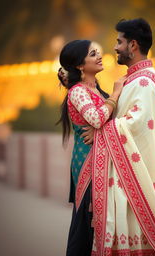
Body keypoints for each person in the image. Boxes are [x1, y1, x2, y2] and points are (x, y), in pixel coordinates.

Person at [79, 18, 155, 255]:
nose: (115, 47)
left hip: (138, 182)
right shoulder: (133, 79)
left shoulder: (145, 81)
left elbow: (134, 125)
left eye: (119, 42)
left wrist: (100, 131)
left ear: (133, 45)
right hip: (128, 180)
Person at [57, 39, 125, 256]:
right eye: (92, 53)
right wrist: (115, 95)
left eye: (97, 52)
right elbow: (96, 119)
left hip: (103, 161)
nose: (99, 55)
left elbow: (106, 124)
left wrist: (102, 131)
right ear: (79, 65)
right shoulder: (77, 91)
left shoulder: (96, 91)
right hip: (87, 162)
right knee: (85, 224)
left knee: (101, 224)